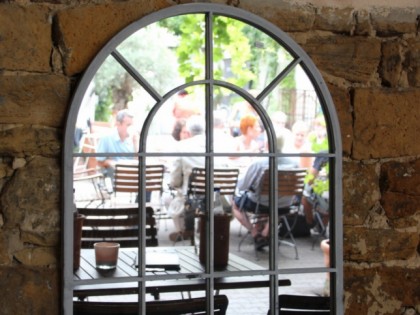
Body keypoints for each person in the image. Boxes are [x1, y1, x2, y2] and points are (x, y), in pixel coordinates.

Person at [231, 134, 299, 250]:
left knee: (235, 204)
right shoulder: (294, 162)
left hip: (260, 203)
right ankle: (265, 234)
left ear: (267, 144)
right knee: (276, 206)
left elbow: (242, 186)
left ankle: (255, 233)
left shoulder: (259, 162)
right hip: (285, 205)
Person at [96, 109, 137, 179]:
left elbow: (137, 161)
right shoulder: (106, 137)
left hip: (132, 176)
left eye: (132, 125)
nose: (131, 128)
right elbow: (99, 162)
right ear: (118, 124)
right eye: (128, 125)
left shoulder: (133, 139)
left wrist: (136, 144)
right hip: (114, 177)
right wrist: (112, 163)